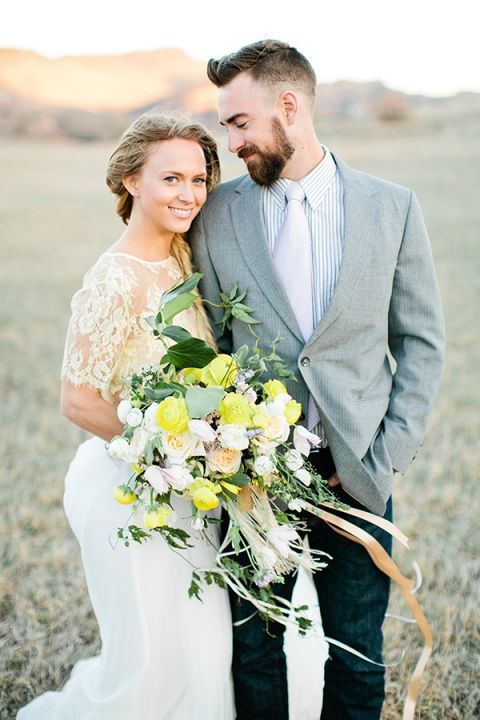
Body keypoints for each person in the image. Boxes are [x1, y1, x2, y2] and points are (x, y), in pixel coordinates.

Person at [190, 39, 445, 720]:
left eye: (240, 123)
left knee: (357, 656)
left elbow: (421, 343)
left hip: (358, 478)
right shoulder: (217, 215)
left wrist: (385, 457)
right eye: (225, 127)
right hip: (251, 485)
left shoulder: (393, 208)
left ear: (289, 105)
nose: (232, 143)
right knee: (254, 654)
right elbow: (211, 345)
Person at [17, 111, 235, 720]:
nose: (189, 194)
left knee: (202, 652)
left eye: (198, 179)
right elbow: (77, 399)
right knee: (152, 667)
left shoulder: (183, 258)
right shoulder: (112, 279)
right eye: (171, 178)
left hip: (188, 484)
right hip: (133, 490)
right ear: (131, 180)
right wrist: (172, 452)